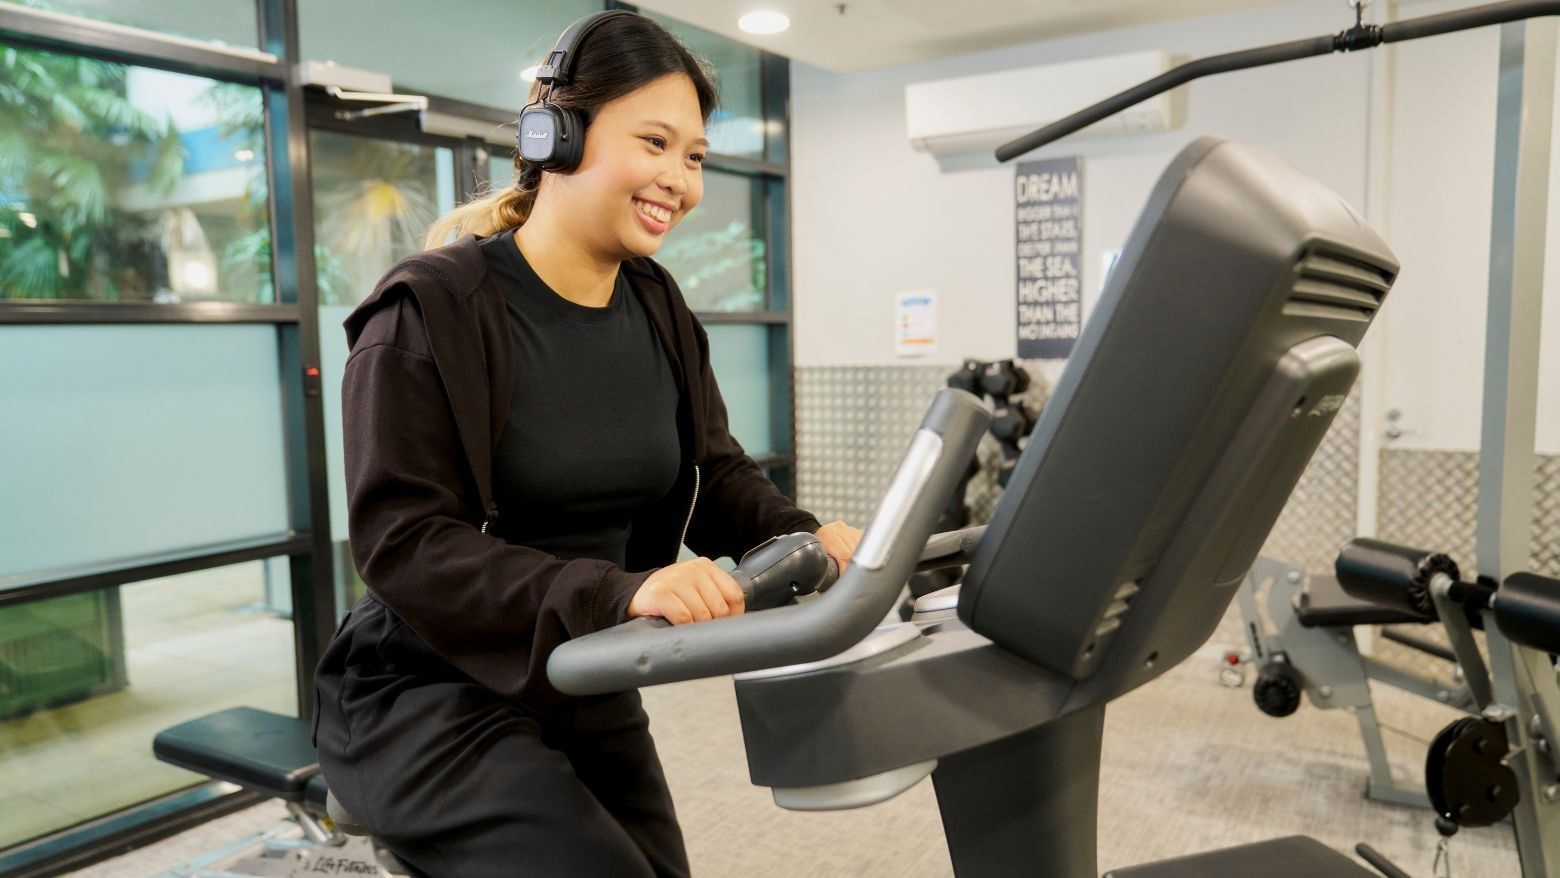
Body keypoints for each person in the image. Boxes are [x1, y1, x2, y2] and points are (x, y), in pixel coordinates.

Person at [311, 10, 861, 878]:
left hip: (583, 673)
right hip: (430, 691)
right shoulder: (430, 311)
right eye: (655, 142)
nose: (679, 180)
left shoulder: (657, 305)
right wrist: (618, 593)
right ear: (556, 135)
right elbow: (403, 544)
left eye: (694, 157)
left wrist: (804, 537)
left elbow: (714, 473)